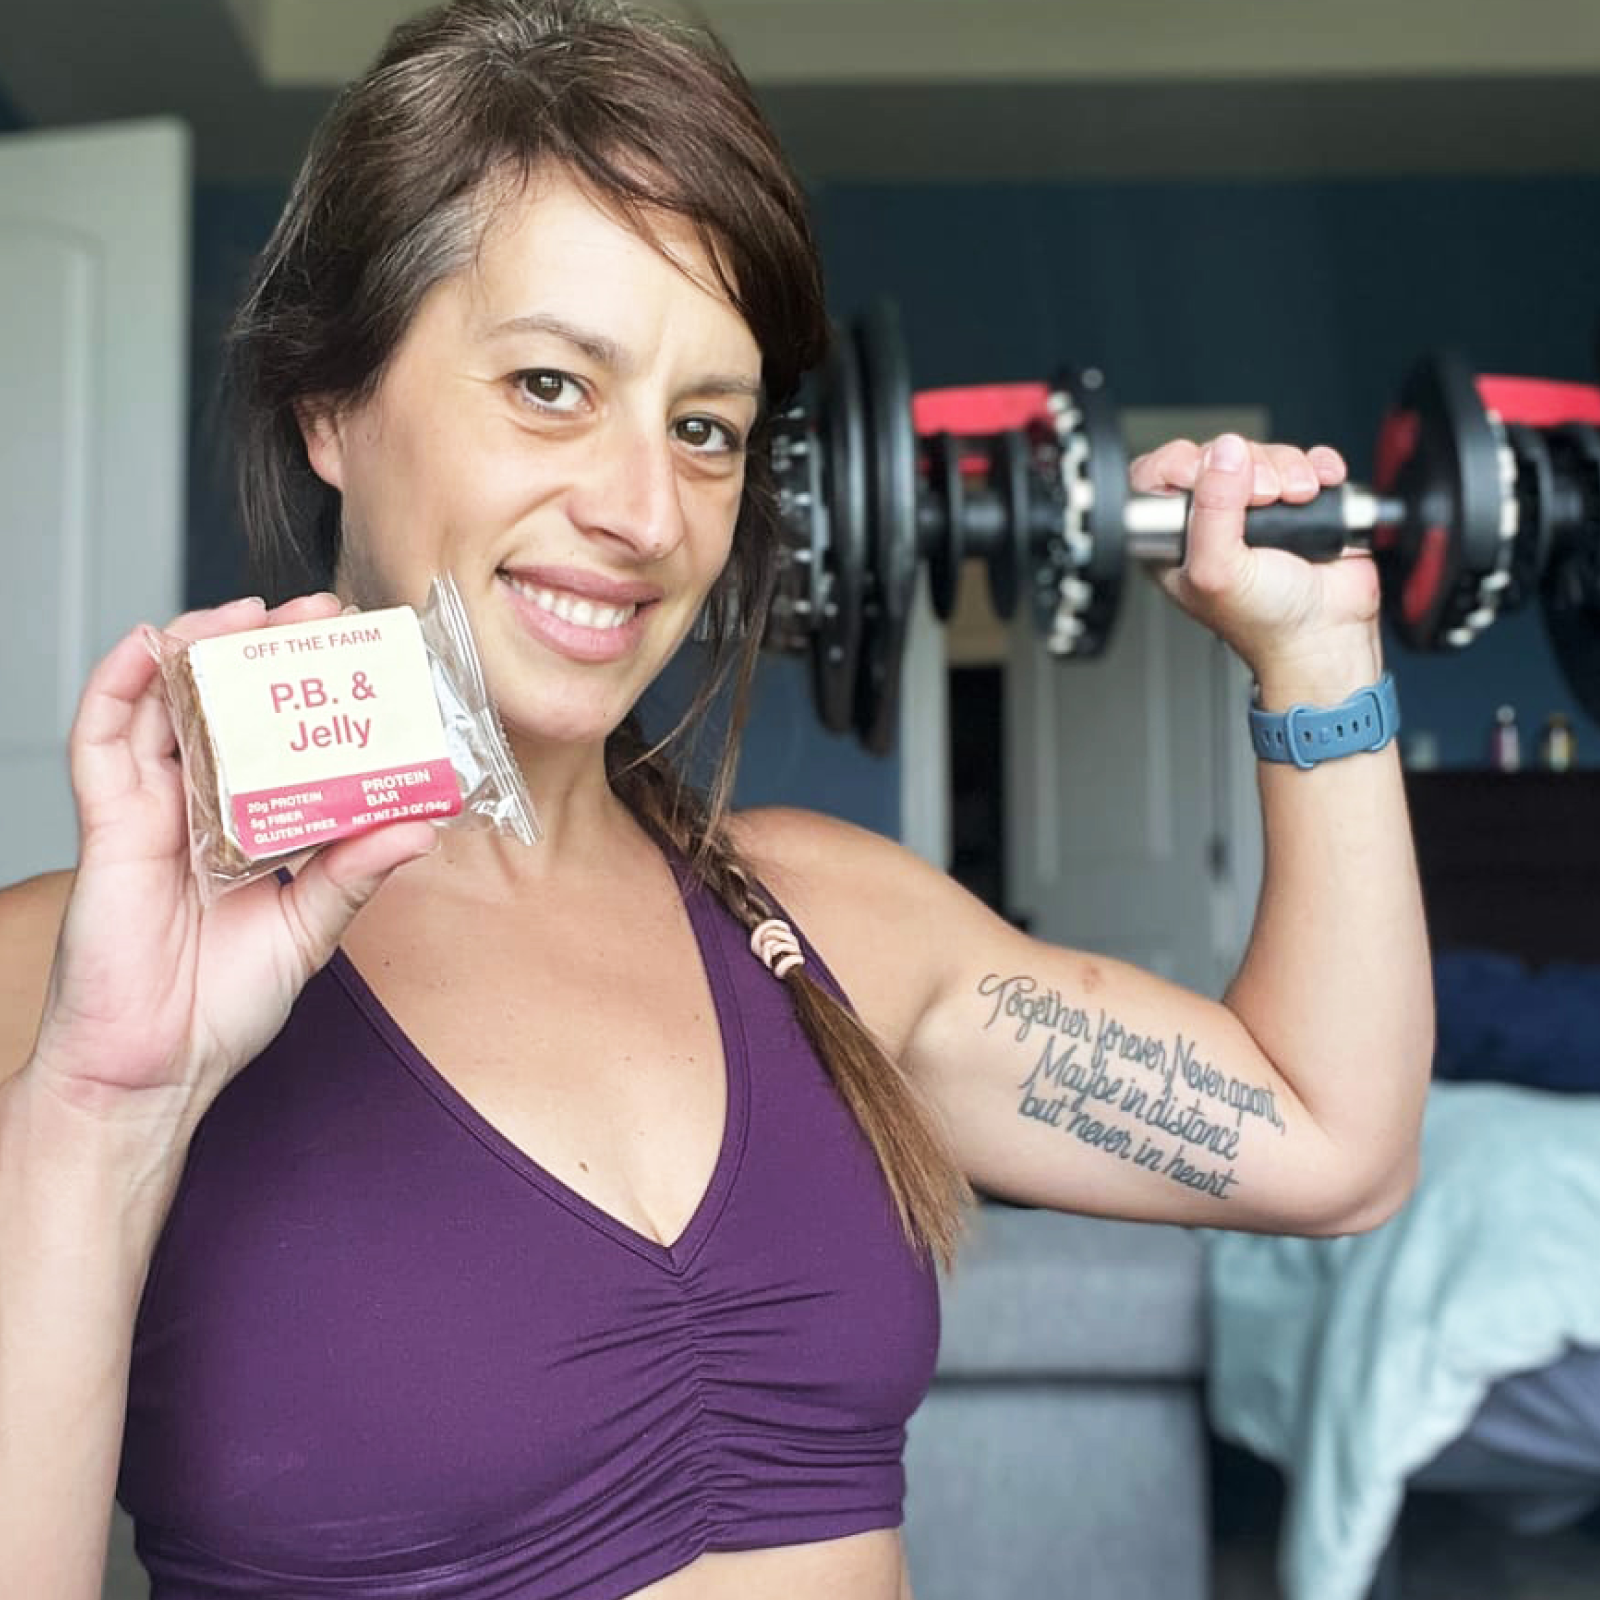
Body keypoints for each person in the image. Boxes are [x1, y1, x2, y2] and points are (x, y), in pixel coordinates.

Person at [0, 0, 1433, 1595]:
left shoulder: (816, 922)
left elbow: (1330, 1142)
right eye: (550, 385)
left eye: (704, 430)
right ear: (330, 406)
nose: (642, 512)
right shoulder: (66, 998)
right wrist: (101, 1116)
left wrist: (1321, 661)